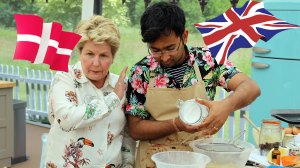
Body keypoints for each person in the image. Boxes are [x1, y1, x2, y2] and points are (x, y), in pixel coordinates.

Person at [125, 2, 261, 168]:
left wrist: (226, 105)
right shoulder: (141, 72)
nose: (165, 57)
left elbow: (251, 87)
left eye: (170, 48)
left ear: (185, 36)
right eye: (156, 50)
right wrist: (175, 124)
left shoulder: (208, 61)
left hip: (200, 159)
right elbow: (135, 129)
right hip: (154, 161)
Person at [43, 16, 135, 168]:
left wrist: (128, 164)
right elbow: (68, 119)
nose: (96, 63)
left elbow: (126, 134)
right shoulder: (65, 78)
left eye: (104, 55)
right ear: (80, 52)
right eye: (90, 54)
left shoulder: (119, 85)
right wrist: (112, 99)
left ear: (113, 57)